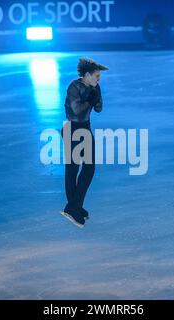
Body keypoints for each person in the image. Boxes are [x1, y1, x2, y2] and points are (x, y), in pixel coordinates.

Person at [60, 57, 109, 228]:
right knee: (73, 169)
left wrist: (97, 96)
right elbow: (76, 112)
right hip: (73, 129)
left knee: (89, 168)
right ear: (87, 74)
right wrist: (89, 98)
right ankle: (73, 208)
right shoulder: (74, 87)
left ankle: (74, 207)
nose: (99, 79)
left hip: (85, 128)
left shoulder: (94, 86)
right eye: (96, 76)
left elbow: (98, 109)